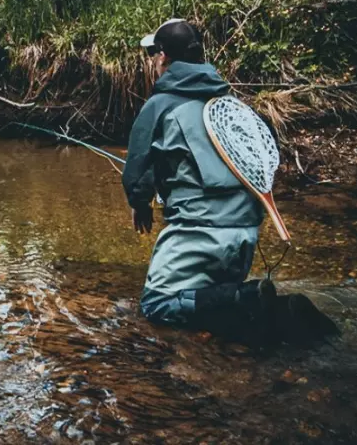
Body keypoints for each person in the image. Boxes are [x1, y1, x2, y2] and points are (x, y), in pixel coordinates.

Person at [122, 19, 337, 344]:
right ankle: (278, 312)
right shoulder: (231, 105)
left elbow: (136, 174)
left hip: (201, 232)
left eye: (154, 54)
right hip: (247, 234)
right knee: (212, 300)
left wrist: (140, 204)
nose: (153, 60)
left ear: (163, 57)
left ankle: (247, 298)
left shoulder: (158, 106)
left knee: (157, 305)